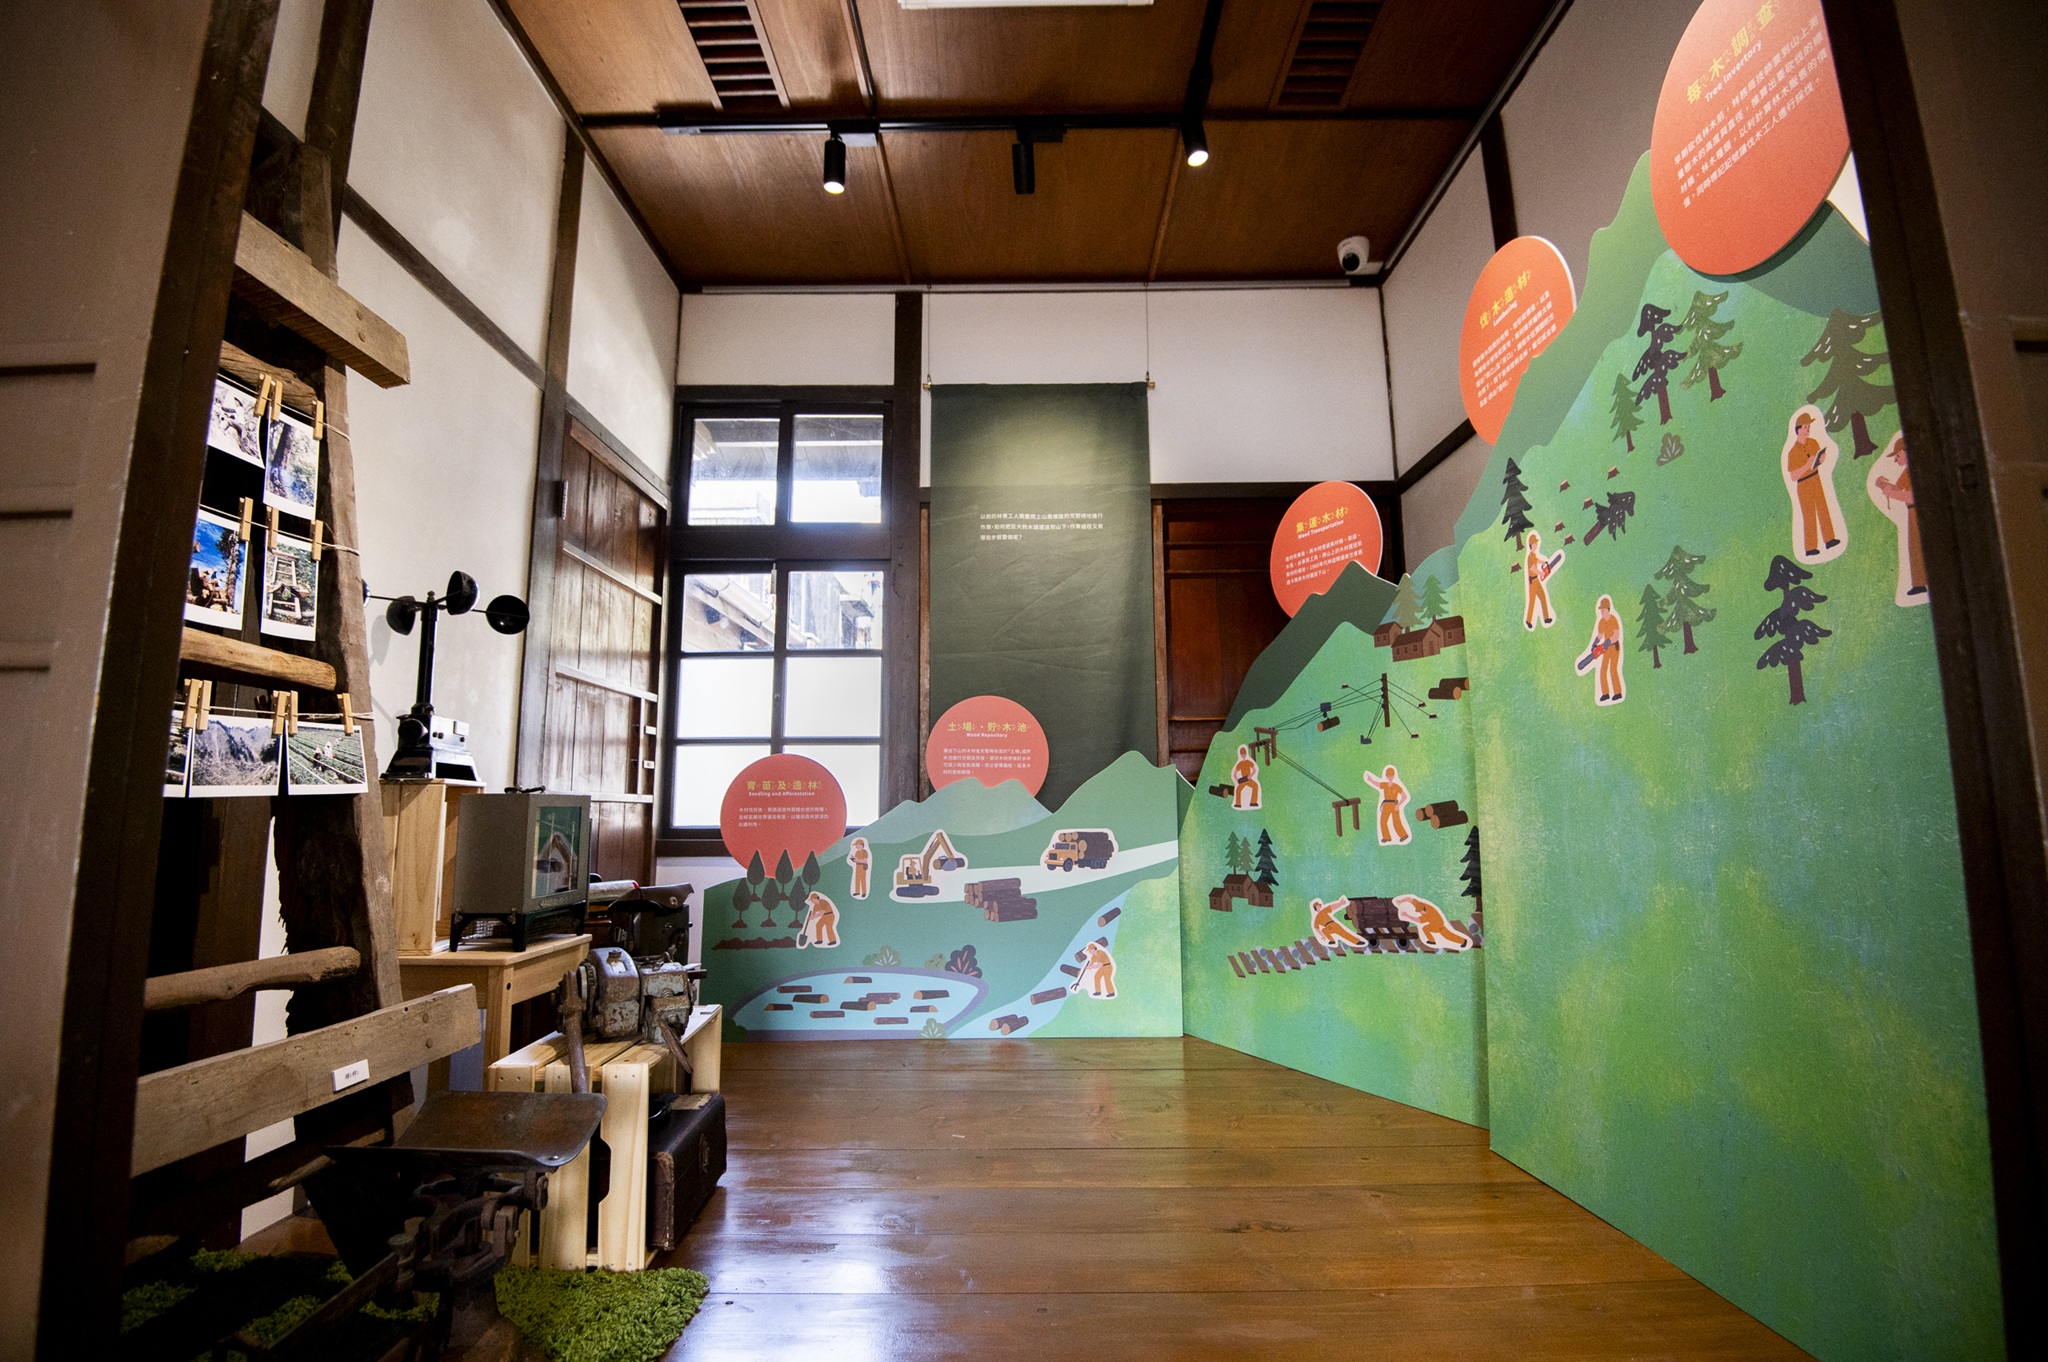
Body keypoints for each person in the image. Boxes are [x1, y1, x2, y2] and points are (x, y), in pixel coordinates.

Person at [1870, 433, 1927, 599]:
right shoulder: (1906, 473)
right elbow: (1898, 489)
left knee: (1923, 545)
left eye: (1898, 456)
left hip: (1920, 510)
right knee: (1915, 547)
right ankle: (1919, 584)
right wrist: (1882, 484)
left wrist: (1892, 494)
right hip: (1911, 512)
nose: (1896, 460)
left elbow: (1912, 495)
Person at [1784, 408, 1842, 558]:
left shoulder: (1813, 443)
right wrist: (1807, 465)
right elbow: (1793, 476)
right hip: (1803, 484)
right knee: (1809, 514)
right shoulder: (1793, 452)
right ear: (1798, 429)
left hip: (1816, 479)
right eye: (1805, 427)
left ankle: (1829, 539)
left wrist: (1820, 460)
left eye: (1808, 427)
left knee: (1823, 508)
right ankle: (1810, 547)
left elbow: (1815, 462)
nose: (1807, 430)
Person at [1579, 594, 1626, 705]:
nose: (1601, 612)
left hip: (1614, 647)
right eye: (1601, 610)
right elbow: (1600, 635)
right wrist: (1594, 643)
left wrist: (1609, 641)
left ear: (1607, 609)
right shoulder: (1601, 621)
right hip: (1606, 648)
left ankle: (1617, 692)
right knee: (1603, 669)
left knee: (1613, 669)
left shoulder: (1613, 619)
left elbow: (1616, 635)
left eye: (1603, 610)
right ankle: (1605, 693)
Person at [1361, 764, 1411, 846]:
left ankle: (1403, 835)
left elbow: (1404, 796)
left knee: (1396, 821)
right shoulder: (1385, 785)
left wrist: (1398, 805)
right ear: (1386, 776)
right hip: (1386, 804)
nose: (1390, 777)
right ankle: (1386, 837)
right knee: (1383, 821)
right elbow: (1377, 784)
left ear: (1393, 776)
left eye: (1391, 775)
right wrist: (1371, 780)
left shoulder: (1396, 786)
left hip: (1394, 804)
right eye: (1388, 776)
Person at [1524, 530, 1557, 629]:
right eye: (1535, 543)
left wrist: (1544, 563)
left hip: (1536, 581)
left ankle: (1546, 617)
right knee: (1532, 601)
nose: (1536, 544)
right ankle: (1528, 620)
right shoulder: (1529, 557)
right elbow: (1532, 568)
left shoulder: (1533, 556)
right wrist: (1541, 573)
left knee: (1543, 597)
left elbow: (1537, 561)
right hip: (1532, 582)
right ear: (1531, 544)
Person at [1231, 744, 1262, 809]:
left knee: (1255, 785)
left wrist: (1250, 776)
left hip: (1248, 779)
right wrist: (1237, 780)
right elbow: (1234, 774)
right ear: (1240, 755)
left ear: (1246, 754)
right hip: (1243, 780)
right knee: (1238, 790)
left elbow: (1254, 770)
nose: (1243, 755)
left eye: (1244, 754)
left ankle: (1253, 802)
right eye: (1242, 754)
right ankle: (1238, 804)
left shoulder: (1249, 762)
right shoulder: (1240, 764)